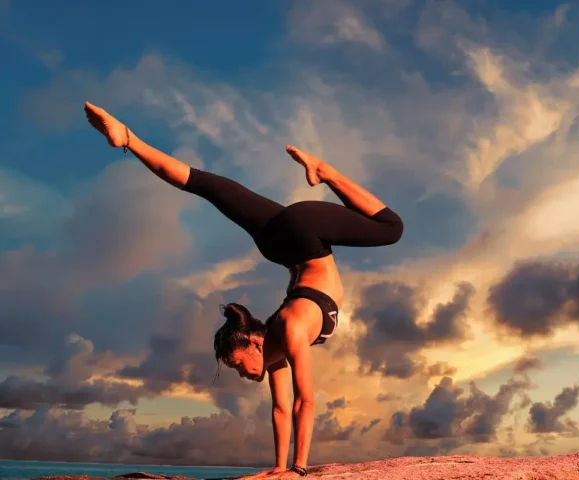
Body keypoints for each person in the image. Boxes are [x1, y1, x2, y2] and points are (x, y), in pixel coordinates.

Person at [84, 101, 403, 478]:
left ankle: (324, 171)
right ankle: (128, 139)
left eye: (237, 364)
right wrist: (278, 469)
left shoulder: (289, 328)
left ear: (254, 342)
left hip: (305, 235)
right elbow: (281, 409)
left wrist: (299, 470)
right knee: (207, 186)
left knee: (391, 229)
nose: (242, 374)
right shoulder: (276, 348)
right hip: (280, 242)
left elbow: (305, 401)